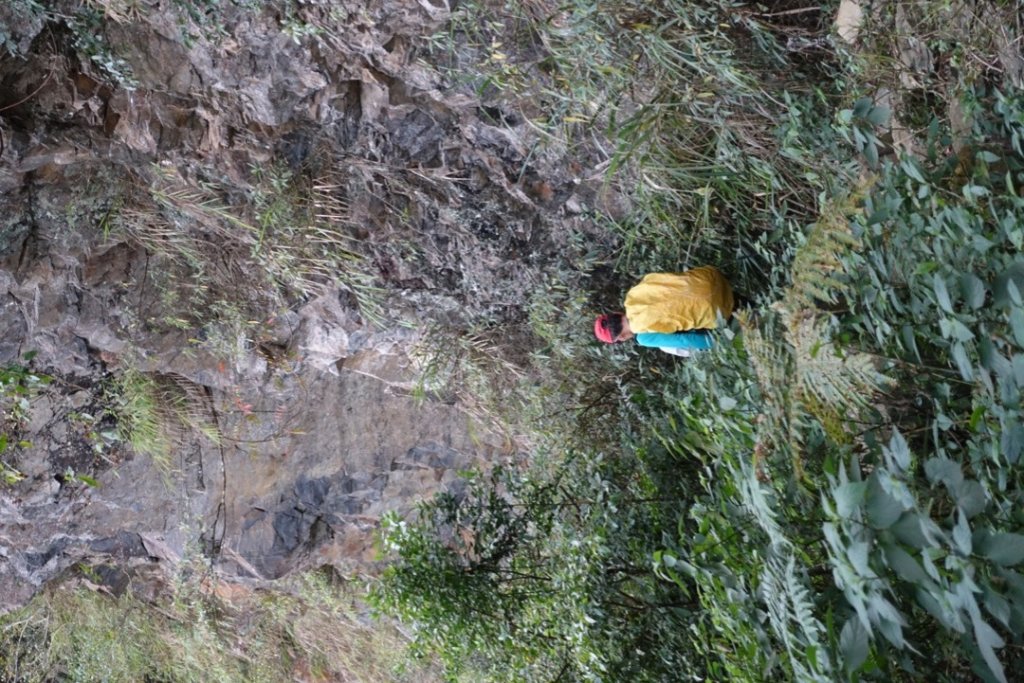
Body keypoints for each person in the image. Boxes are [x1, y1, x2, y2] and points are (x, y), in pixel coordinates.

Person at [593, 266, 734, 357]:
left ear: (621, 338)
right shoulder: (633, 295)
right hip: (713, 277)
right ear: (617, 313)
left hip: (718, 311)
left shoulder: (643, 336)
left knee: (667, 345)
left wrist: (720, 345)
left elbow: (685, 340)